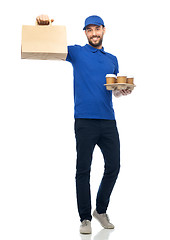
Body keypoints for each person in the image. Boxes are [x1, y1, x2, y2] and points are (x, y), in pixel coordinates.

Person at [36, 14, 132, 234]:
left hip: (108, 121)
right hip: (84, 121)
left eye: (97, 29)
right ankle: (85, 218)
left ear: (103, 30)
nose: (93, 33)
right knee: (83, 170)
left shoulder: (112, 59)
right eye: (89, 30)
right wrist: (43, 25)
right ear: (85, 33)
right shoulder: (77, 52)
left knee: (114, 166)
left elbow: (114, 91)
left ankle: (101, 209)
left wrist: (121, 91)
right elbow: (50, 46)